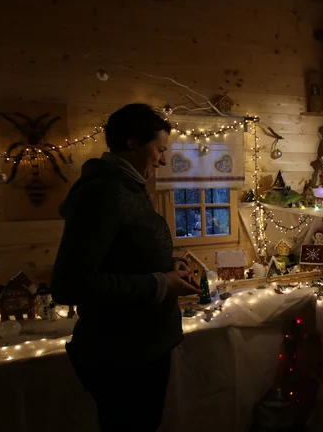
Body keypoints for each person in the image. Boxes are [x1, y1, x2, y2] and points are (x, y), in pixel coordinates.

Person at [51, 103, 202, 431]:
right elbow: (69, 283)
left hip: (142, 350)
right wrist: (161, 283)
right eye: (159, 149)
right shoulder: (104, 192)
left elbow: (123, 253)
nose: (163, 159)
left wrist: (168, 265)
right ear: (133, 143)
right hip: (123, 357)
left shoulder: (127, 187)